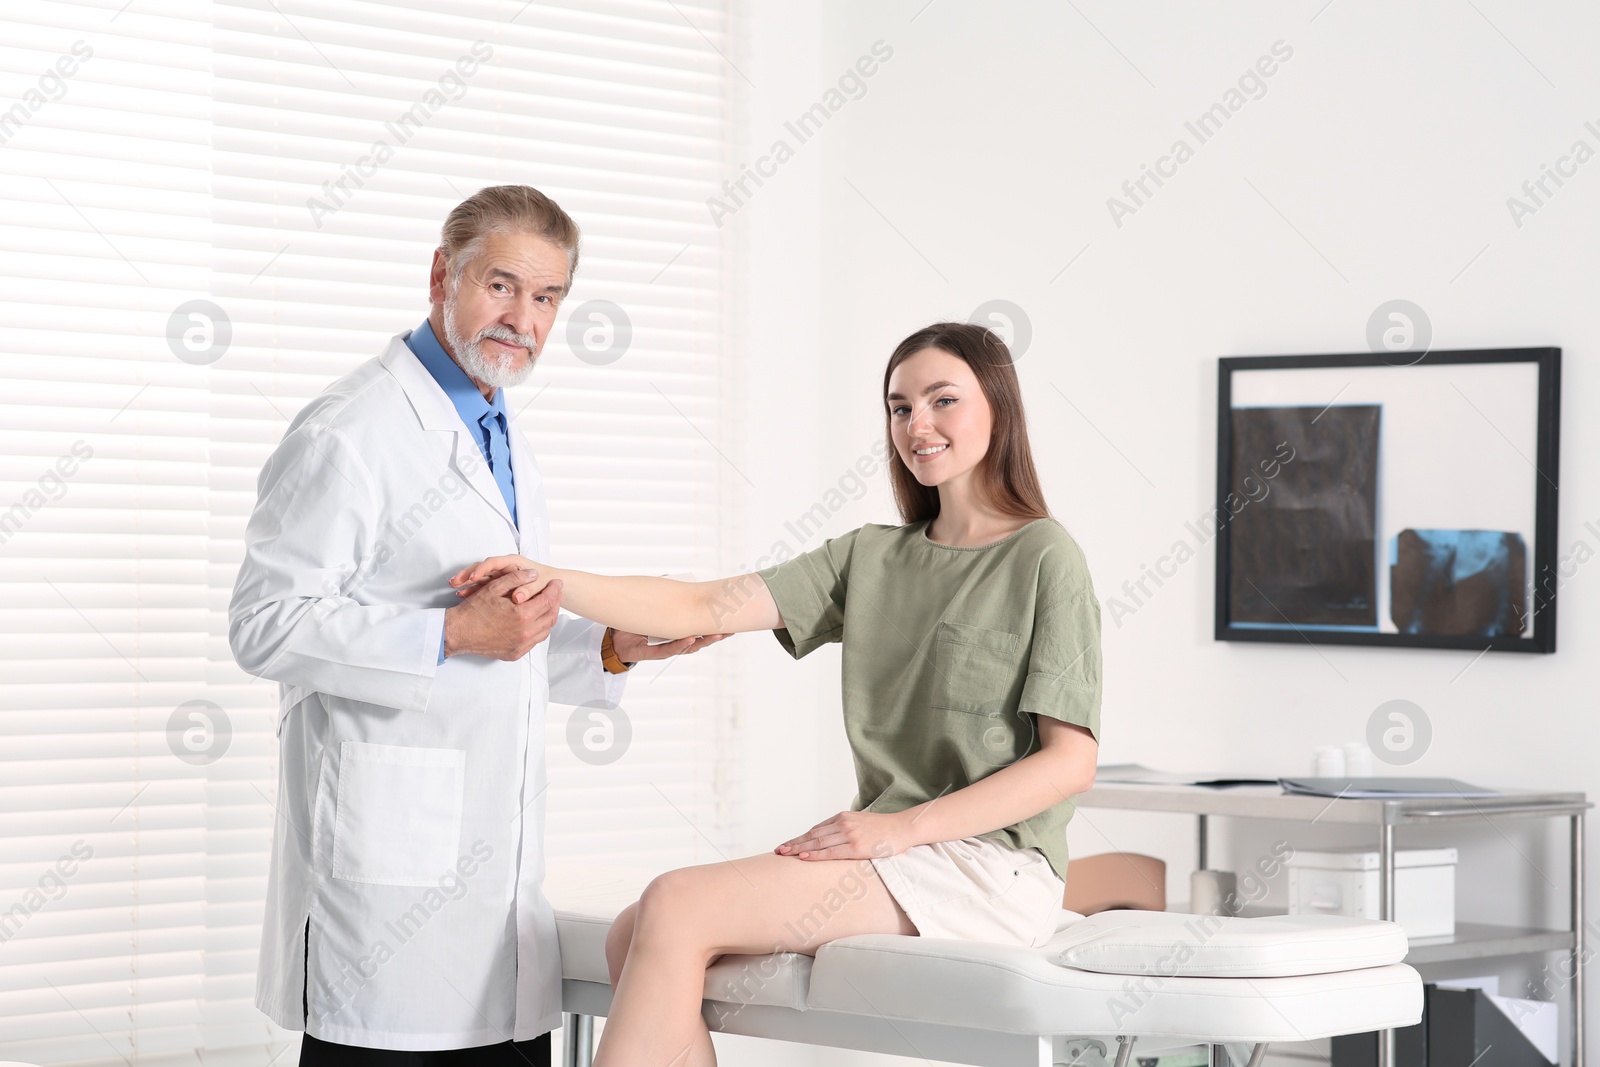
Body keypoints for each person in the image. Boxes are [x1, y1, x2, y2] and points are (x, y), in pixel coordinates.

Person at [450, 321, 1102, 1067]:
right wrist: (548, 577)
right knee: (634, 934)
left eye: (941, 399)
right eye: (898, 407)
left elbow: (1068, 763)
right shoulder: (872, 556)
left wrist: (899, 829)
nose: (916, 424)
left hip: (986, 868)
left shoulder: (1046, 555)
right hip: (888, 850)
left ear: (998, 406)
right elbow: (702, 605)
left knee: (675, 904)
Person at [228, 185, 722, 1066]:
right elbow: (264, 625)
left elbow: (506, 638)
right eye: (501, 286)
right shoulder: (353, 430)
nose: (522, 318)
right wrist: (451, 636)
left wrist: (609, 646)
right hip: (382, 902)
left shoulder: (496, 429)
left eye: (546, 298)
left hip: (491, 895)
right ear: (441, 275)